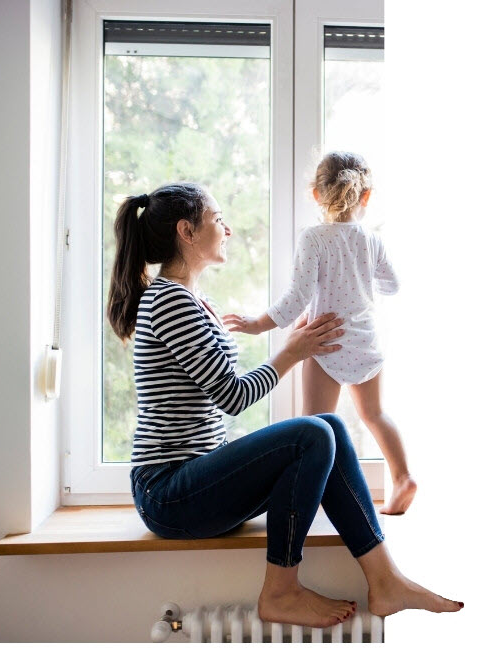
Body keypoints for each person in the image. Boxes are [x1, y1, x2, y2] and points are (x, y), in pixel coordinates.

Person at [107, 181, 463, 627]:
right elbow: (233, 396)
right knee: (312, 433)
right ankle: (280, 590)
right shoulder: (170, 301)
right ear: (187, 231)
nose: (228, 229)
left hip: (194, 480)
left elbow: (219, 386)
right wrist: (292, 352)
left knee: (328, 426)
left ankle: (385, 579)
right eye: (218, 219)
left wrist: (293, 344)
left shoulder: (193, 301)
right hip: (168, 492)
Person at [223, 152, 416, 515]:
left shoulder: (313, 239)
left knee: (314, 427)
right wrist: (361, 278)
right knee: (374, 414)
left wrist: (255, 324)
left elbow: (296, 299)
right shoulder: (371, 240)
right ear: (366, 196)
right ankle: (403, 477)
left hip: (325, 340)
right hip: (366, 339)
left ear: (316, 194)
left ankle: (315, 497)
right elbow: (392, 285)